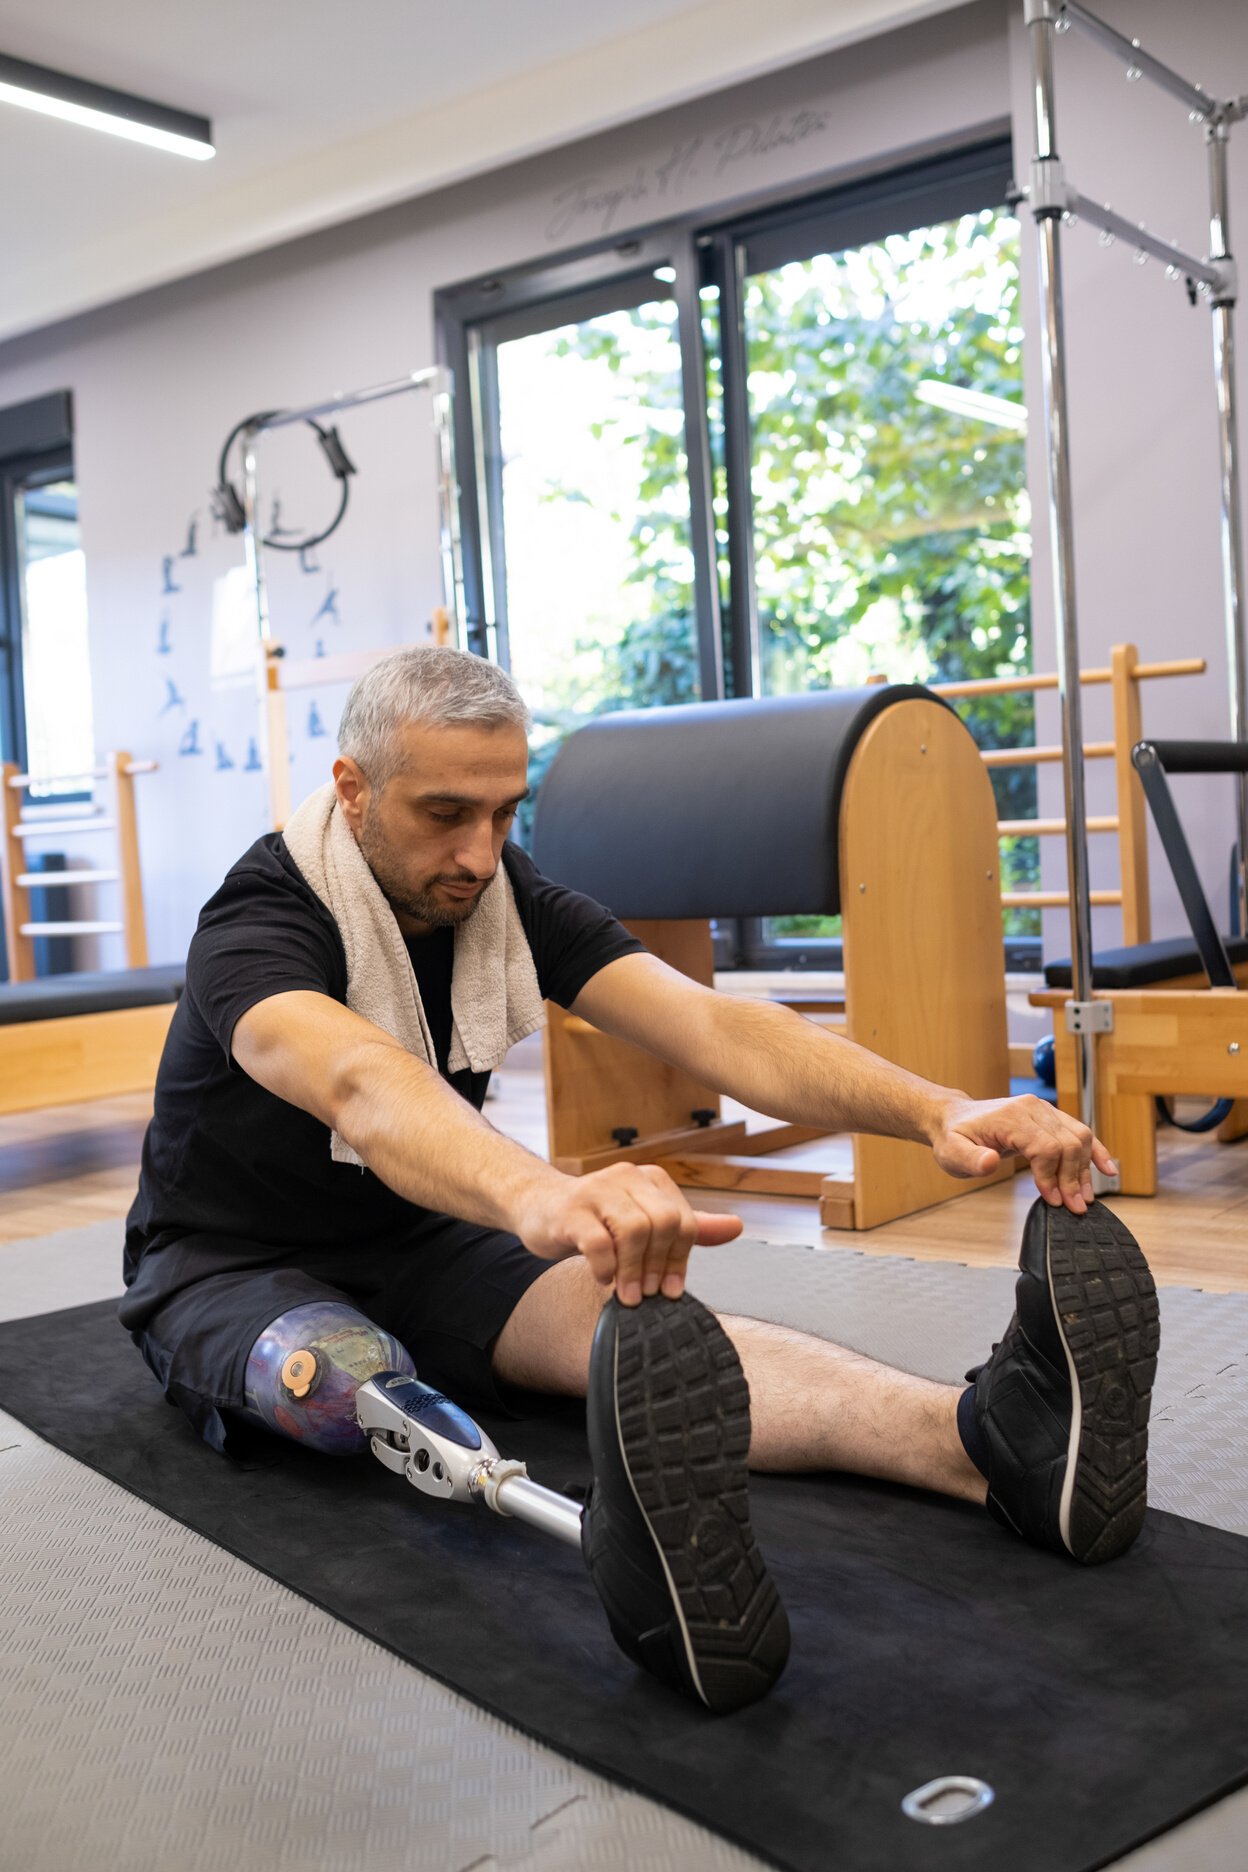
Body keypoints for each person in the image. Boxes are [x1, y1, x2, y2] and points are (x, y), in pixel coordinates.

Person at [120, 647, 1158, 1713]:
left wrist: (940, 1107)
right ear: (353, 788)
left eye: (503, 814)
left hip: (423, 1236)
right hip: (228, 1267)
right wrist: (545, 1194)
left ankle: (993, 1446)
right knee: (345, 1372)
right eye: (444, 815)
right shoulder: (259, 919)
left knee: (647, 1328)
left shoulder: (495, 896)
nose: (479, 855)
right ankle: (602, 1543)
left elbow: (712, 1025)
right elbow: (358, 1084)